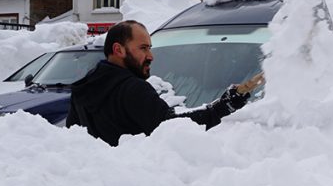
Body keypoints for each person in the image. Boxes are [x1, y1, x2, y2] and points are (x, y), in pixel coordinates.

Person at [67, 20, 264, 146]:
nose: (151, 56)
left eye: (150, 48)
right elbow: (173, 130)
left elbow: (75, 144)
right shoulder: (133, 89)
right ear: (118, 50)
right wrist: (222, 107)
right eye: (143, 48)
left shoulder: (83, 88)